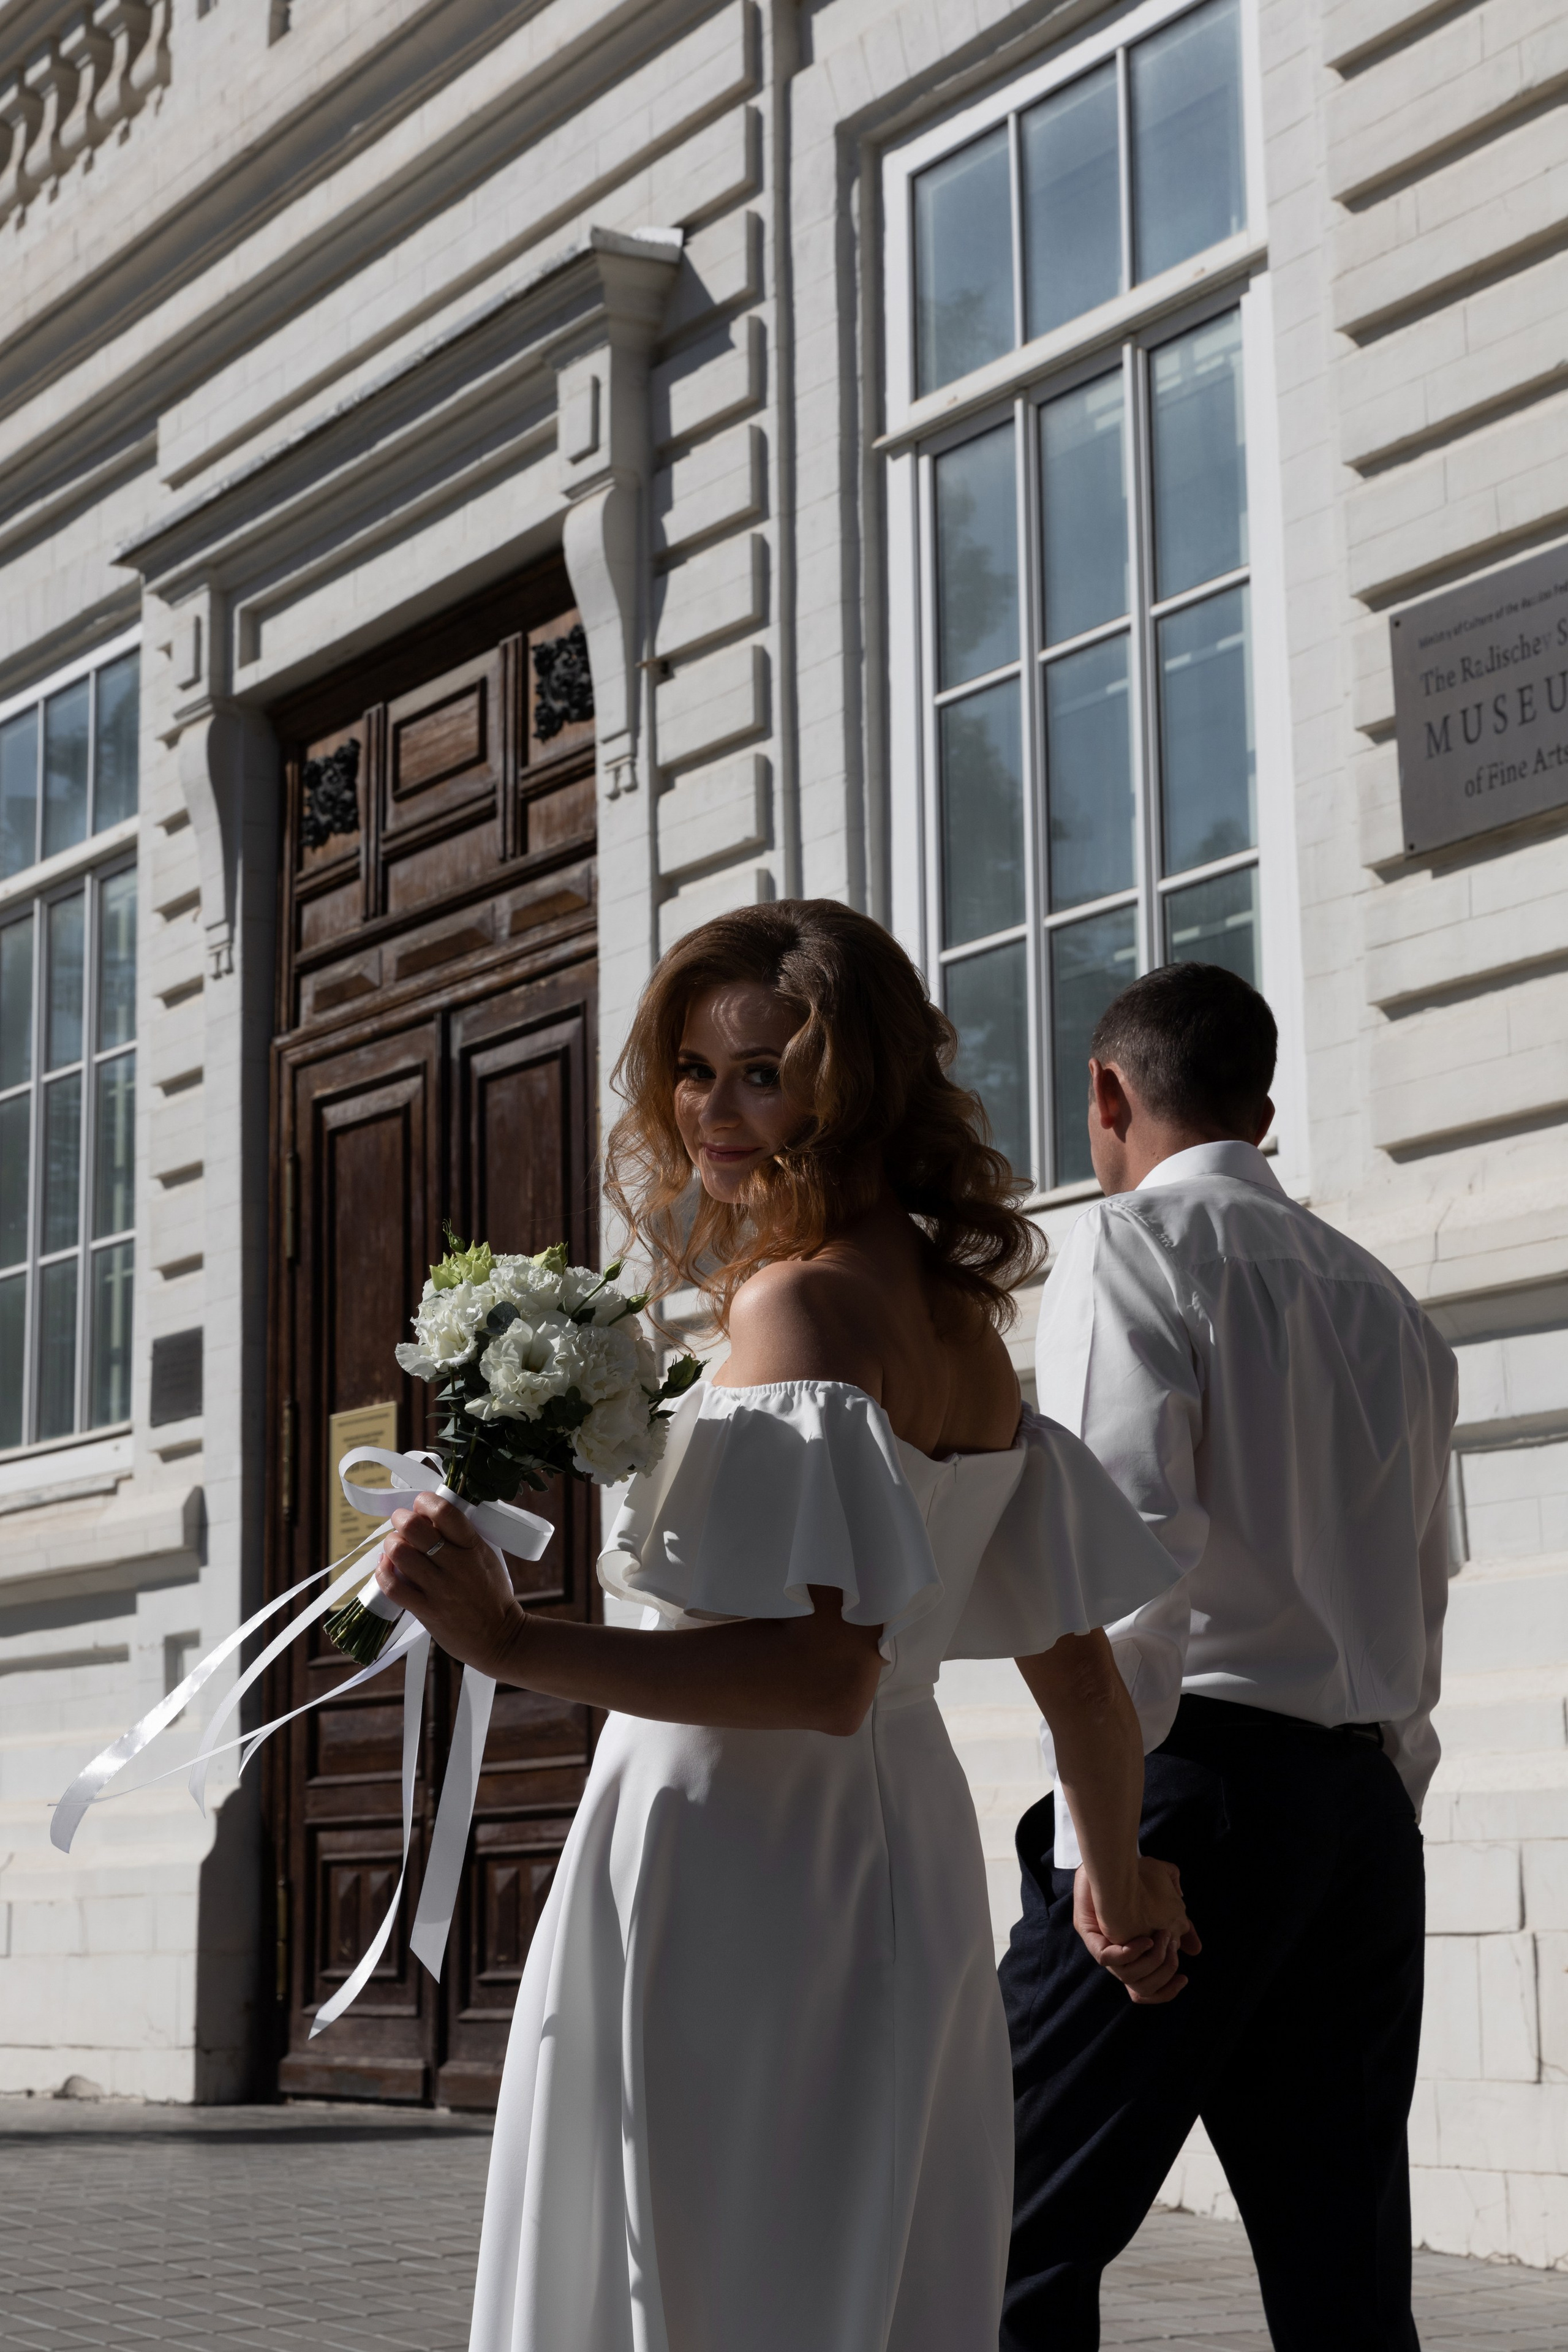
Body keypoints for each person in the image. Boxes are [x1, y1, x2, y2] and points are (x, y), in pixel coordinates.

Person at [376, 900, 1189, 2352]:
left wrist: (511, 1647)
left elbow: (823, 1674)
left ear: (856, 1078)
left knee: (703, 2261)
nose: (714, 1112)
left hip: (738, 1855)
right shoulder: (956, 1328)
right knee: (852, 2256)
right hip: (898, 1845)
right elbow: (1078, 1685)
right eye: (694, 1070)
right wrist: (1117, 1889)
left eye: (763, 1071)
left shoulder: (802, 1314)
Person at [1003, 961, 1458, 2352]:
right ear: (1262, 1111)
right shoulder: (1386, 1301)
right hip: (1358, 1810)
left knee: (1000, 2225)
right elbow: (1421, 1587)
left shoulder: (1127, 1246)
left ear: (1105, 1094)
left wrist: (1106, 1845)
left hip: (1185, 1796)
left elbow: (1119, 1558)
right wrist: (1377, 1804)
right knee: (1342, 2280)